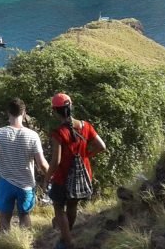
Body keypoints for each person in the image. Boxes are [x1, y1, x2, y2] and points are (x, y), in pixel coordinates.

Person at [0, 98, 50, 232]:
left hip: (5, 181)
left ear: (8, 113)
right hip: (26, 184)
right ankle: (24, 243)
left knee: (5, 217)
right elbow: (42, 164)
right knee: (24, 216)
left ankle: (5, 244)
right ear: (24, 113)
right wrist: (50, 176)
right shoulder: (33, 135)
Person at [47, 93, 107, 249]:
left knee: (59, 208)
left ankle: (67, 242)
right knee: (72, 206)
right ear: (71, 107)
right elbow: (102, 146)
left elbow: (56, 161)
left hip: (62, 177)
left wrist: (46, 177)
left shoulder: (58, 133)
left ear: (55, 111)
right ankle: (66, 237)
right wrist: (86, 155)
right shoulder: (86, 126)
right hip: (83, 174)